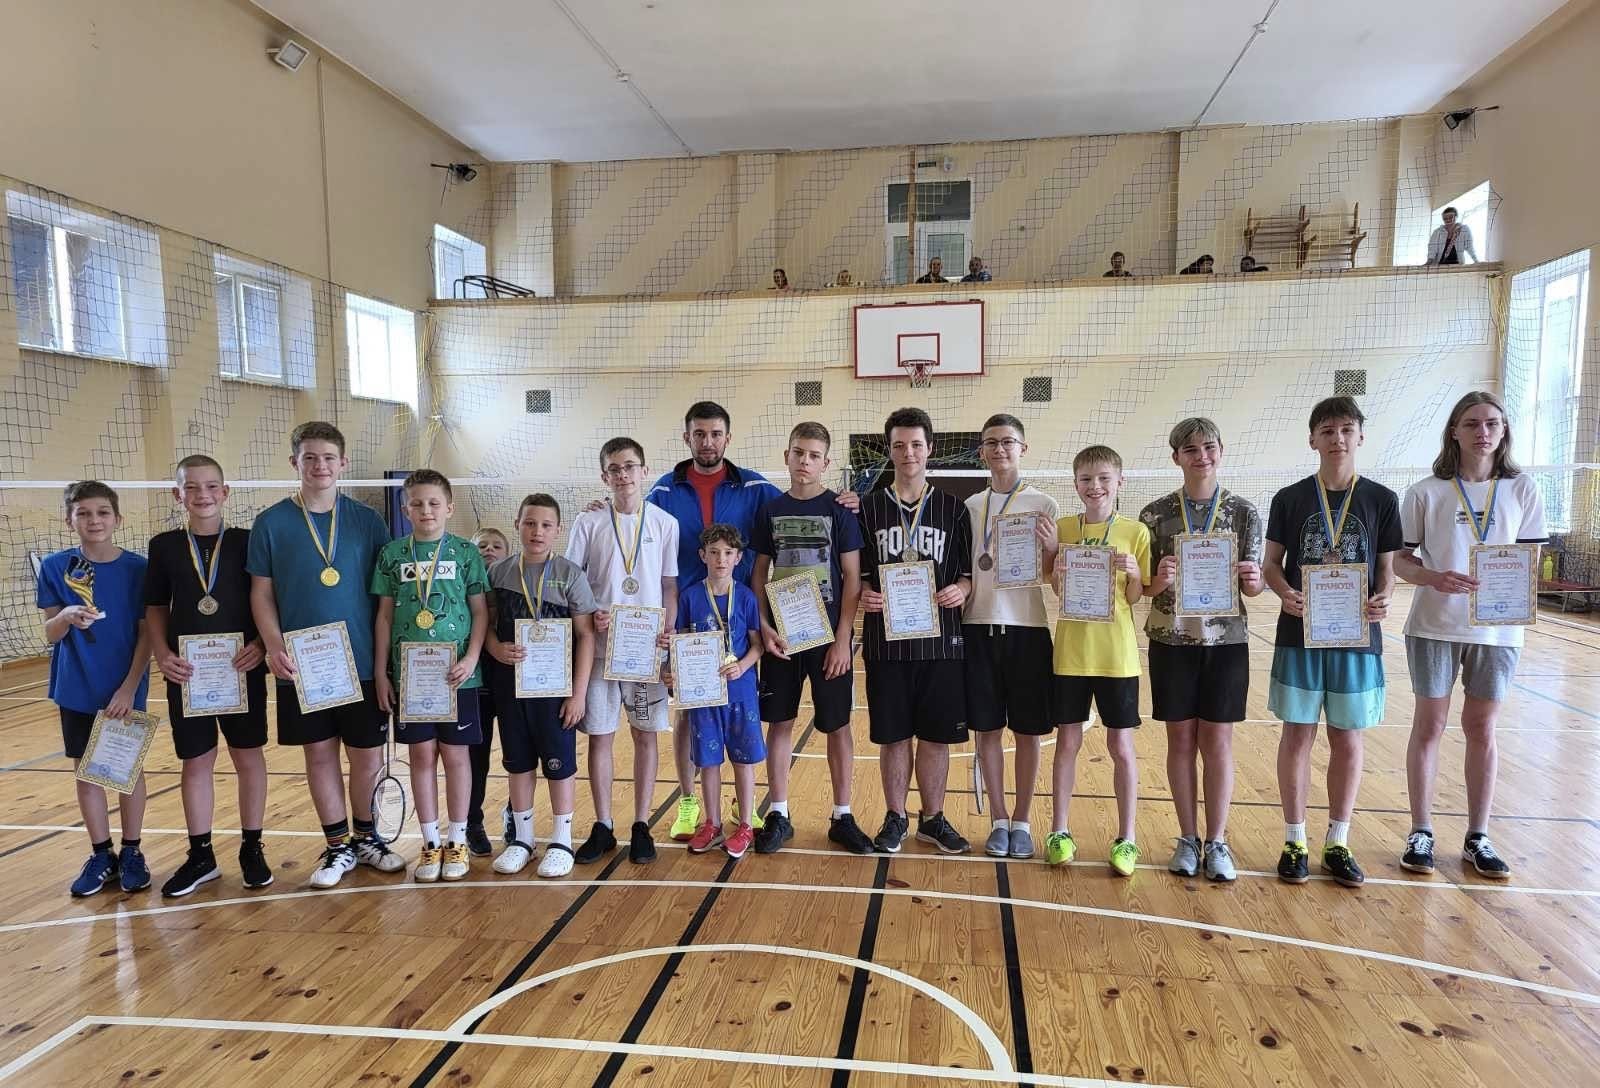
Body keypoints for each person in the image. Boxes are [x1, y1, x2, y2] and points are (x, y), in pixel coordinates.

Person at [1395, 392, 1545, 879]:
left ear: (1504, 431)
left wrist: (1508, 582)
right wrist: (1433, 577)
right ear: (1454, 432)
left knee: (1482, 728)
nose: (1483, 432)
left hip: (1498, 632)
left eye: (1492, 423)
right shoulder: (1426, 491)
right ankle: (1421, 830)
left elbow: (1531, 559)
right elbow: (1400, 561)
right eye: (1472, 423)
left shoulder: (1523, 488)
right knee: (1430, 726)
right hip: (1434, 625)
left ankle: (1478, 836)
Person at [248, 421, 401, 888]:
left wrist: (385, 663)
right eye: (310, 457)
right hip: (302, 665)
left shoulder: (368, 521)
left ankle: (367, 839)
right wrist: (273, 644)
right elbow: (261, 593)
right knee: (319, 755)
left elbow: (385, 599)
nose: (320, 466)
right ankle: (337, 847)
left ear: (343, 463)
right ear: (294, 462)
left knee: (367, 758)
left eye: (328, 457)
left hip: (362, 663)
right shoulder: (270, 523)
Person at [1264, 396, 1401, 889]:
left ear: (1360, 436)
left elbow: (1387, 571)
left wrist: (1384, 597)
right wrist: (1284, 593)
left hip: (1356, 639)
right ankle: (1294, 841)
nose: (1337, 438)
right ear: (1312, 440)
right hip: (1299, 635)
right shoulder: (1289, 498)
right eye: (1327, 430)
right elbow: (1271, 565)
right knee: (1297, 735)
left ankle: (1338, 841)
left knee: (1347, 738)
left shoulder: (1382, 499)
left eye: (1346, 429)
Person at [646, 402, 781, 840]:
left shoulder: (755, 487)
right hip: (688, 621)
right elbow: (633, 525)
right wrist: (603, 509)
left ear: (728, 437)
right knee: (689, 716)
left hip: (737, 626)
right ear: (687, 437)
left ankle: (744, 808)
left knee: (740, 715)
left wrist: (843, 501)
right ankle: (690, 803)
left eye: (716, 433)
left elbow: (799, 508)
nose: (708, 441)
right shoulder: (664, 491)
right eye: (699, 433)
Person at [1137, 420, 1264, 883]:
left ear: (1221, 450)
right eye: (1190, 449)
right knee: (1180, 741)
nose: (1201, 456)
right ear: (1176, 457)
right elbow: (1145, 587)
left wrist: (1255, 581)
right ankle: (1188, 838)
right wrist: (1159, 580)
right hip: (1171, 640)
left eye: (1209, 447)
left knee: (1218, 742)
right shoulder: (1154, 515)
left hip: (1226, 643)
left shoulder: (1244, 512)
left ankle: (1218, 840)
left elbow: (1254, 587)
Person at [144, 455, 273, 897]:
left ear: (225, 492)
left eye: (211, 486)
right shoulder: (164, 546)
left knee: (248, 756)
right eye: (191, 487)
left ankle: (252, 849)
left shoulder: (247, 541)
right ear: (177, 494)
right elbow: (155, 607)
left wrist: (262, 644)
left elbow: (267, 598)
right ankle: (201, 856)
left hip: (242, 668)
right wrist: (162, 653)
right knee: (196, 761)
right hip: (188, 673)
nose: (202, 494)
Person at [857, 407, 974, 854]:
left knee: (936, 735)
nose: (908, 453)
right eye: (899, 445)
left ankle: (933, 818)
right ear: (889, 451)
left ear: (930, 449)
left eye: (916, 445)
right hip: (886, 643)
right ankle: (895, 816)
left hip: (941, 641)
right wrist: (865, 592)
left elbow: (967, 574)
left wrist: (961, 589)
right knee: (893, 735)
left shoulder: (954, 509)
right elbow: (857, 573)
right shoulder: (867, 508)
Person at [749, 422, 868, 854]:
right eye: (798, 452)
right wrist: (763, 626)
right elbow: (758, 574)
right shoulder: (770, 510)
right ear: (787, 456)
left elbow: (852, 578)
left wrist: (843, 640)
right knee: (780, 722)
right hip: (781, 638)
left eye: (814, 455)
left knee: (837, 725)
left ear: (826, 462)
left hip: (827, 639)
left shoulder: (840, 511)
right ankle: (779, 813)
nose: (805, 461)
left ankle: (842, 815)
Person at [372, 470, 489, 883]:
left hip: (458, 676)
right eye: (417, 504)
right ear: (405, 509)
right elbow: (384, 617)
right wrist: (381, 672)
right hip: (410, 678)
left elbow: (480, 611)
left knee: (456, 757)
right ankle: (430, 842)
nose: (426, 510)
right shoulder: (391, 555)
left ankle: (456, 840)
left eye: (434, 503)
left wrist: (472, 658)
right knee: (421, 757)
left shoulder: (465, 553)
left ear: (449, 507)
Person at [38, 481, 153, 897]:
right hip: (76, 687)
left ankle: (132, 852)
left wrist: (129, 688)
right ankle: (101, 854)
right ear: (69, 520)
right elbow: (51, 633)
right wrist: (66, 615)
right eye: (83, 513)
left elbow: (147, 633)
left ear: (117, 519)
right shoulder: (55, 566)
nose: (94, 520)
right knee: (86, 772)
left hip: (123, 687)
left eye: (102, 512)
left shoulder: (138, 569)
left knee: (127, 771)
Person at [569, 438, 679, 865]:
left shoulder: (666, 523)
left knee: (645, 736)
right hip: (599, 651)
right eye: (614, 469)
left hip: (646, 650)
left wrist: (668, 628)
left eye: (630, 466)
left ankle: (641, 824)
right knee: (601, 736)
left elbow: (668, 585)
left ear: (644, 471)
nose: (623, 475)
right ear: (604, 476)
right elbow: (573, 581)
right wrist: (589, 612)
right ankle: (603, 825)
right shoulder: (588, 522)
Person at [1047, 447, 1151, 875]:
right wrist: (1058, 575)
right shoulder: (1064, 529)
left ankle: (1127, 838)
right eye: (1087, 479)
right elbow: (1058, 590)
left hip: (1117, 656)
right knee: (1067, 744)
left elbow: (1135, 596)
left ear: (1119, 482)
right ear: (1076, 484)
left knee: (1120, 747)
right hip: (1071, 654)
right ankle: (1059, 831)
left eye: (1104, 478)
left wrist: (1136, 574)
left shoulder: (1135, 531)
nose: (1095, 487)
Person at [484, 494, 598, 878]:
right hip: (511, 686)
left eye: (546, 525)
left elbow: (586, 635)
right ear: (517, 524)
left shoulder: (570, 574)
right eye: (530, 523)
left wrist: (578, 693)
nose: (537, 531)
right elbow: (486, 622)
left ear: (558, 530)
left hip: (555, 691)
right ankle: (523, 840)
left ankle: (562, 840)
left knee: (559, 763)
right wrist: (494, 647)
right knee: (517, 762)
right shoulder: (499, 573)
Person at [964, 415, 1059, 860]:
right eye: (991, 443)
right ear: (981, 451)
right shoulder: (970, 506)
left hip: (1028, 630)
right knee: (986, 728)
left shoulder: (1045, 504)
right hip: (977, 627)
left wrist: (1053, 549)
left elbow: (1052, 577)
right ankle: (998, 819)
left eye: (1008, 441)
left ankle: (1022, 820)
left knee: (1028, 731)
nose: (999, 449)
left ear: (1023, 447)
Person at [679, 525, 766, 860]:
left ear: (738, 558)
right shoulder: (689, 597)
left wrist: (742, 666)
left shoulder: (746, 597)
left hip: (741, 693)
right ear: (702, 555)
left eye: (728, 553)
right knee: (709, 761)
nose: (721, 559)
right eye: (714, 552)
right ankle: (712, 823)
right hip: (704, 695)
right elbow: (681, 644)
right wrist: (675, 671)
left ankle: (744, 825)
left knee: (743, 761)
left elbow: (757, 645)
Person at [469, 527, 510, 856]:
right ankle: (472, 822)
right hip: (476, 684)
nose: (489, 550)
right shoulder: (463, 585)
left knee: (518, 754)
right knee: (476, 758)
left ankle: (515, 814)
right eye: (482, 545)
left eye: (497, 546)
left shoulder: (513, 586)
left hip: (510, 683)